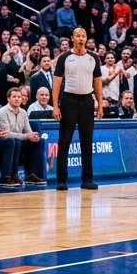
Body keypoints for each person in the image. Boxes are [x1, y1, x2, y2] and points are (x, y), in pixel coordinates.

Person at [51, 25, 102, 191]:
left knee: (87, 142)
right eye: (78, 36)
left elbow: (98, 83)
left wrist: (100, 104)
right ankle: (61, 180)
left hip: (87, 101)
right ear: (72, 39)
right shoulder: (64, 57)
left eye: (83, 36)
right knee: (64, 141)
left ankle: (87, 179)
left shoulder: (94, 58)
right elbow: (57, 82)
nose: (81, 38)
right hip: (69, 101)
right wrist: (55, 106)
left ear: (86, 39)